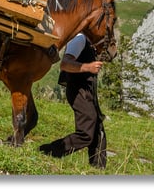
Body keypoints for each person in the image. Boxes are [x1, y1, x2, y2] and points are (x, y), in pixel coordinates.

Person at [39, 32, 107, 169]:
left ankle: (98, 167)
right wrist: (88, 67)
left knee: (97, 127)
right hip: (78, 91)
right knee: (86, 134)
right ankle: (49, 151)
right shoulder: (80, 38)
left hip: (86, 91)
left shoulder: (89, 41)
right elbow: (65, 64)